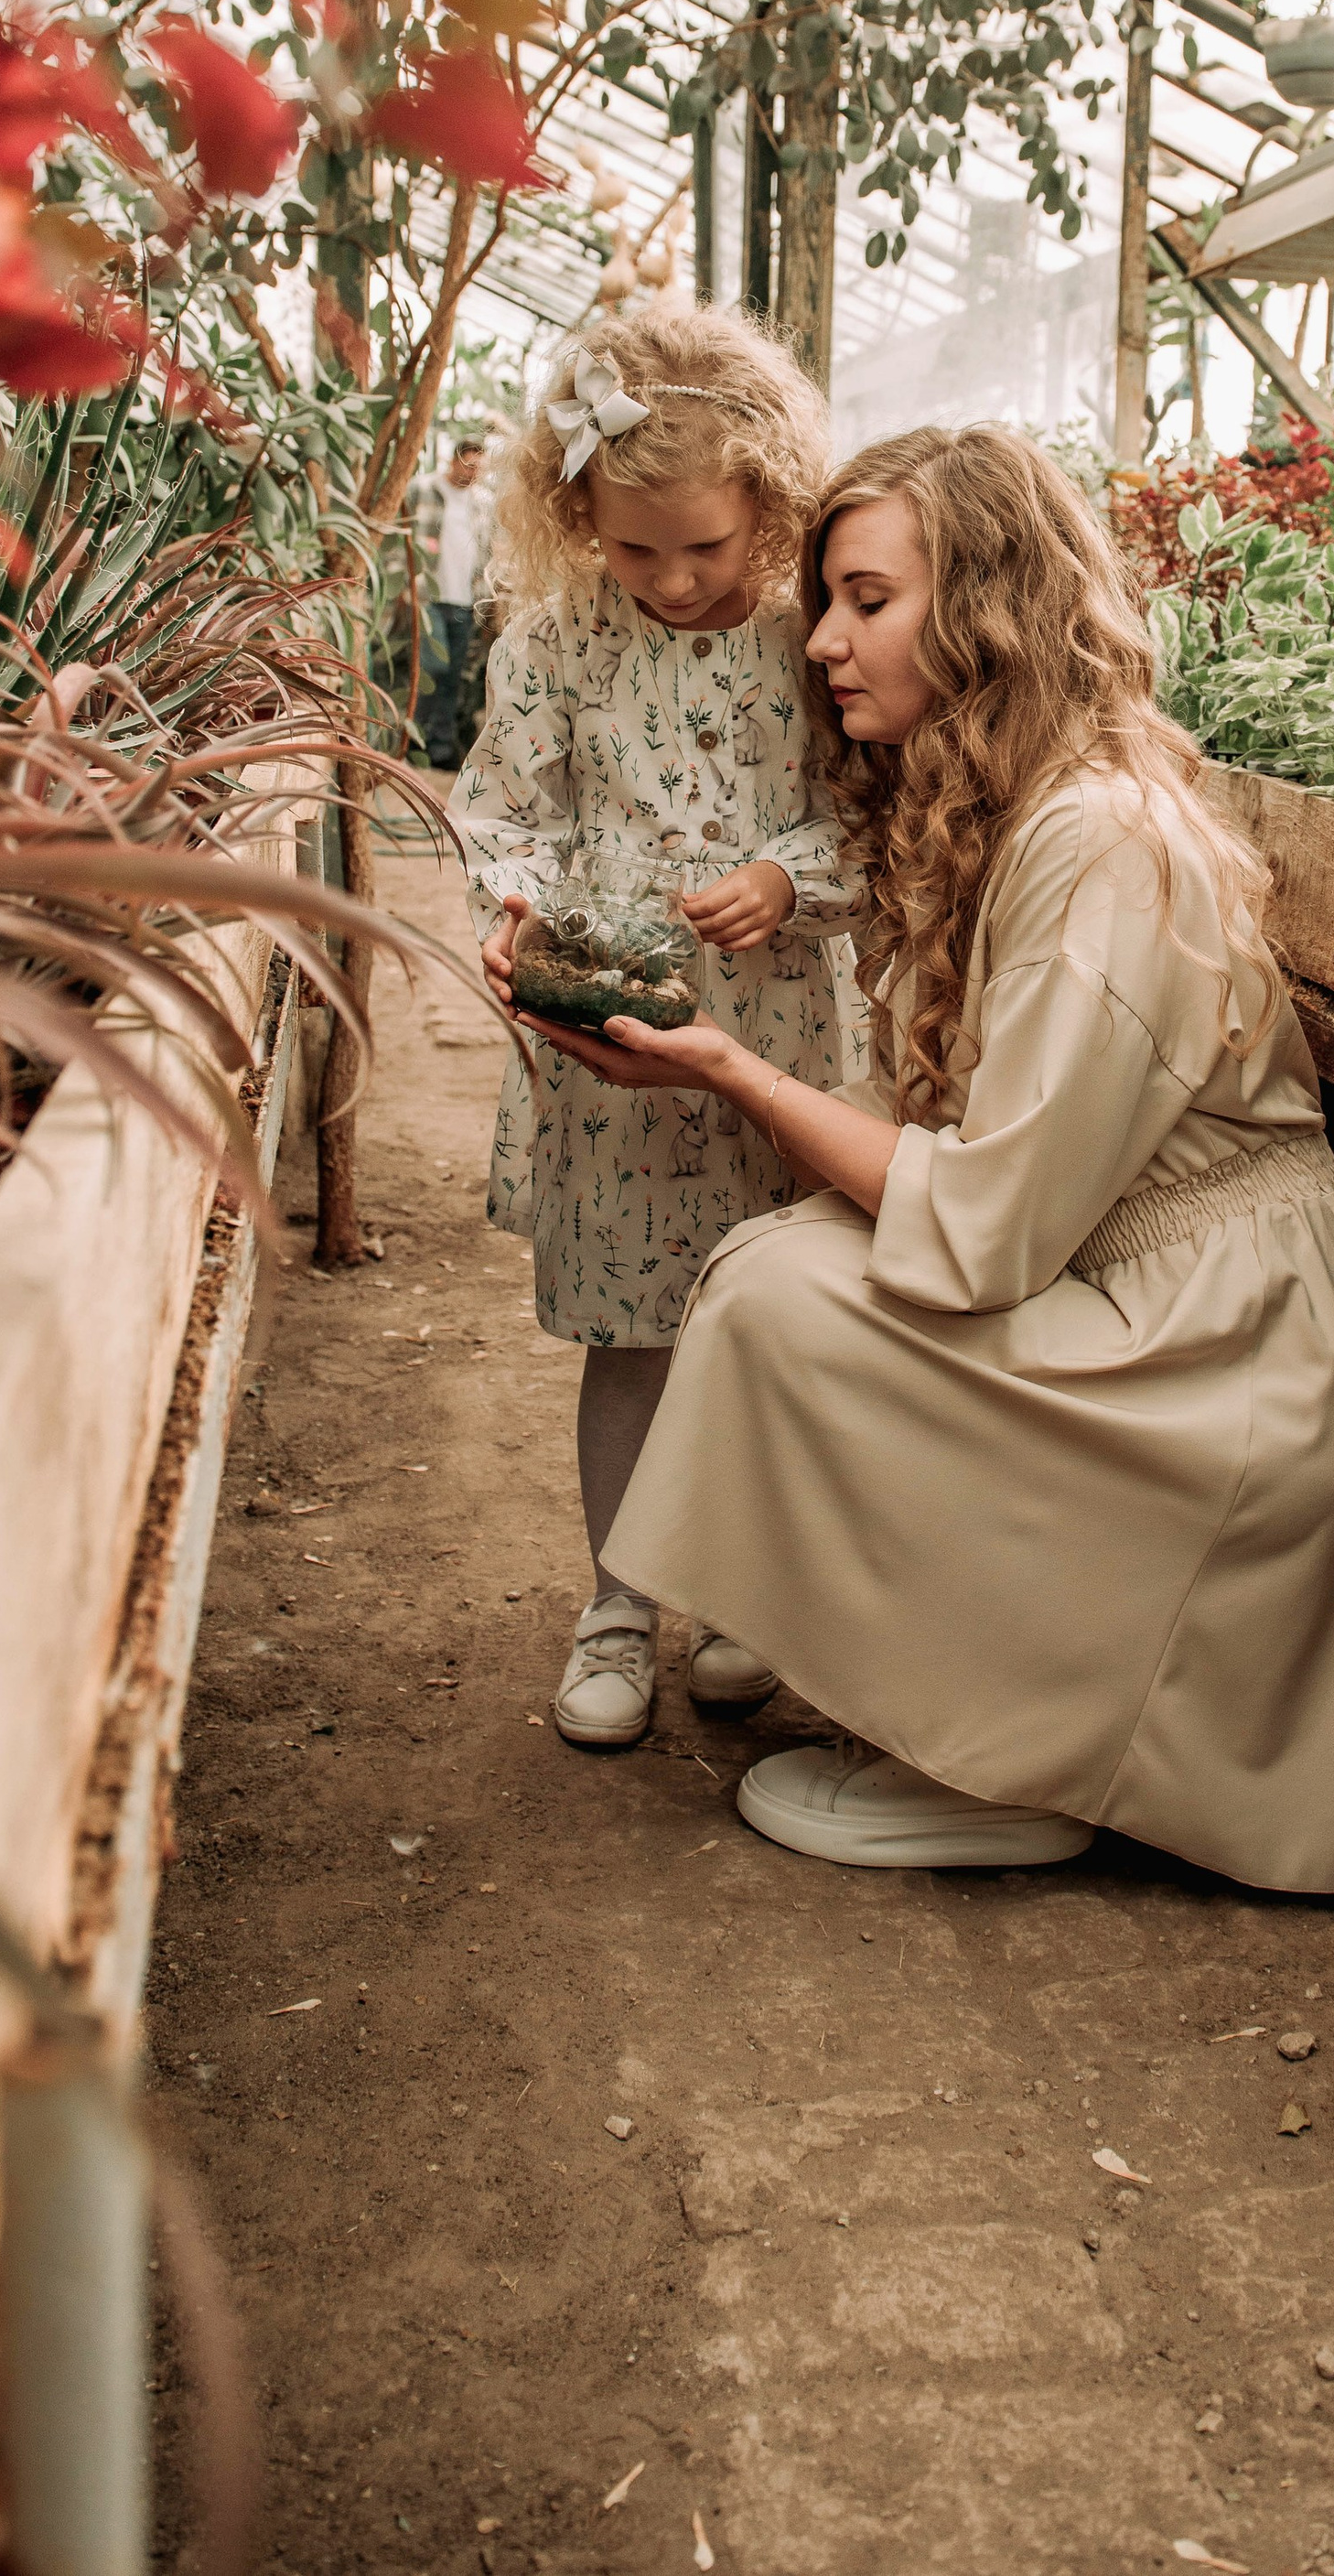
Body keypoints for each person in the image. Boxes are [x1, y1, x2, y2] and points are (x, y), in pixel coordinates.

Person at [556, 423, 1334, 1889]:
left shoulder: (1100, 839)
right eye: (829, 601)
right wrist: (695, 1052)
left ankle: (1018, 1757)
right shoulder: (1004, 806)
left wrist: (733, 1072)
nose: (823, 641)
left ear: (987, 610)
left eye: (867, 599)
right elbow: (936, 1124)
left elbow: (985, 1228)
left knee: (786, 1300)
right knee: (786, 1259)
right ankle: (1004, 1710)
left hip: (1238, 1359)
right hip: (1171, 1306)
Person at [455, 307, 857, 1751]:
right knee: (631, 1337)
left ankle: (740, 1599)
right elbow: (506, 807)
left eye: (708, 545)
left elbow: (872, 818)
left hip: (778, 1045)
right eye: (638, 550)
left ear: (773, 505)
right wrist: (518, 908)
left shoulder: (811, 644)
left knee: (771, 1323)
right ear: (580, 518)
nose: (676, 578)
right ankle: (620, 1604)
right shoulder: (555, 646)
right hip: (612, 1054)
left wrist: (786, 877)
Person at [409, 428, 494, 772]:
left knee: (452, 677)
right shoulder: (423, 489)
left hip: (466, 601)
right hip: (428, 597)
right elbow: (402, 538)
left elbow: (487, 552)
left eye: (479, 468)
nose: (473, 473)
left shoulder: (482, 502)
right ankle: (413, 740)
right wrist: (405, 585)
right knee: (432, 667)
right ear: (454, 460)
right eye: (469, 465)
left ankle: (440, 748)